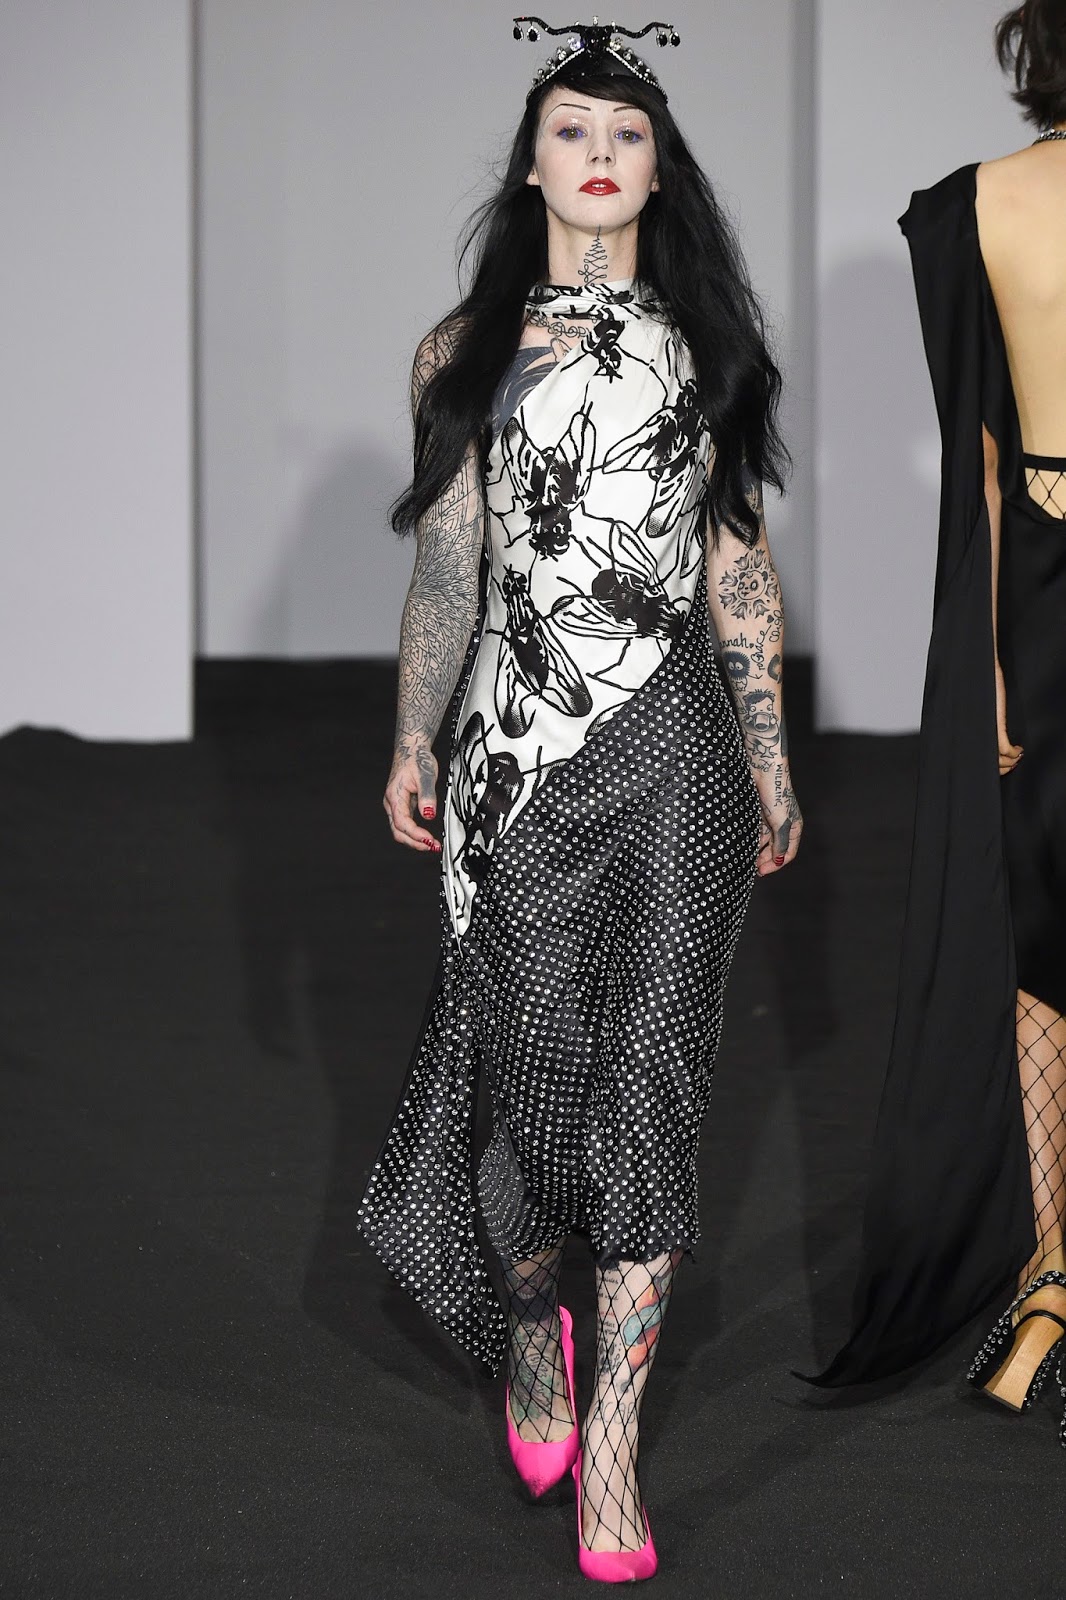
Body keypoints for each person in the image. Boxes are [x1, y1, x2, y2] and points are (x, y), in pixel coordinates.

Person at [358, 17, 799, 1579]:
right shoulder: (458, 353)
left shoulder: (709, 347)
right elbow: (447, 567)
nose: (598, 154)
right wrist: (412, 736)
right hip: (516, 756)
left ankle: (614, 1445)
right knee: (533, 1089)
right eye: (570, 129)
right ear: (531, 164)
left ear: (659, 170)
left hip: (676, 745)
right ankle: (531, 1325)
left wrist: (767, 753)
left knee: (654, 1082)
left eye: (625, 134)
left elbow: (733, 560)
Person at [812, 1, 1066, 1437]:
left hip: (1037, 579)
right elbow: (977, 457)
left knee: (1045, 920)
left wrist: (992, 671)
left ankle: (1050, 1280)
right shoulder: (969, 208)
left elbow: (980, 463)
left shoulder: (976, 207)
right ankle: (1049, 1275)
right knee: (1043, 918)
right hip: (1034, 583)